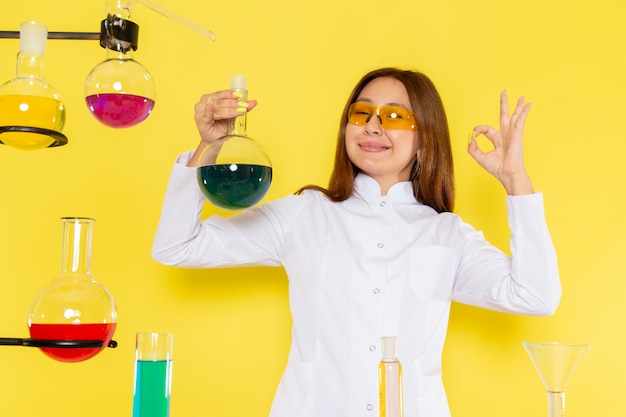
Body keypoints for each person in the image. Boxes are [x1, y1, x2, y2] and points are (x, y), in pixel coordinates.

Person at [152, 67, 561, 417]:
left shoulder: (447, 235)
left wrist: (515, 182)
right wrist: (208, 147)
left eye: (395, 116)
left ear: (426, 136)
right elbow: (177, 246)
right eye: (362, 112)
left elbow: (535, 296)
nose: (372, 126)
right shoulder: (305, 214)